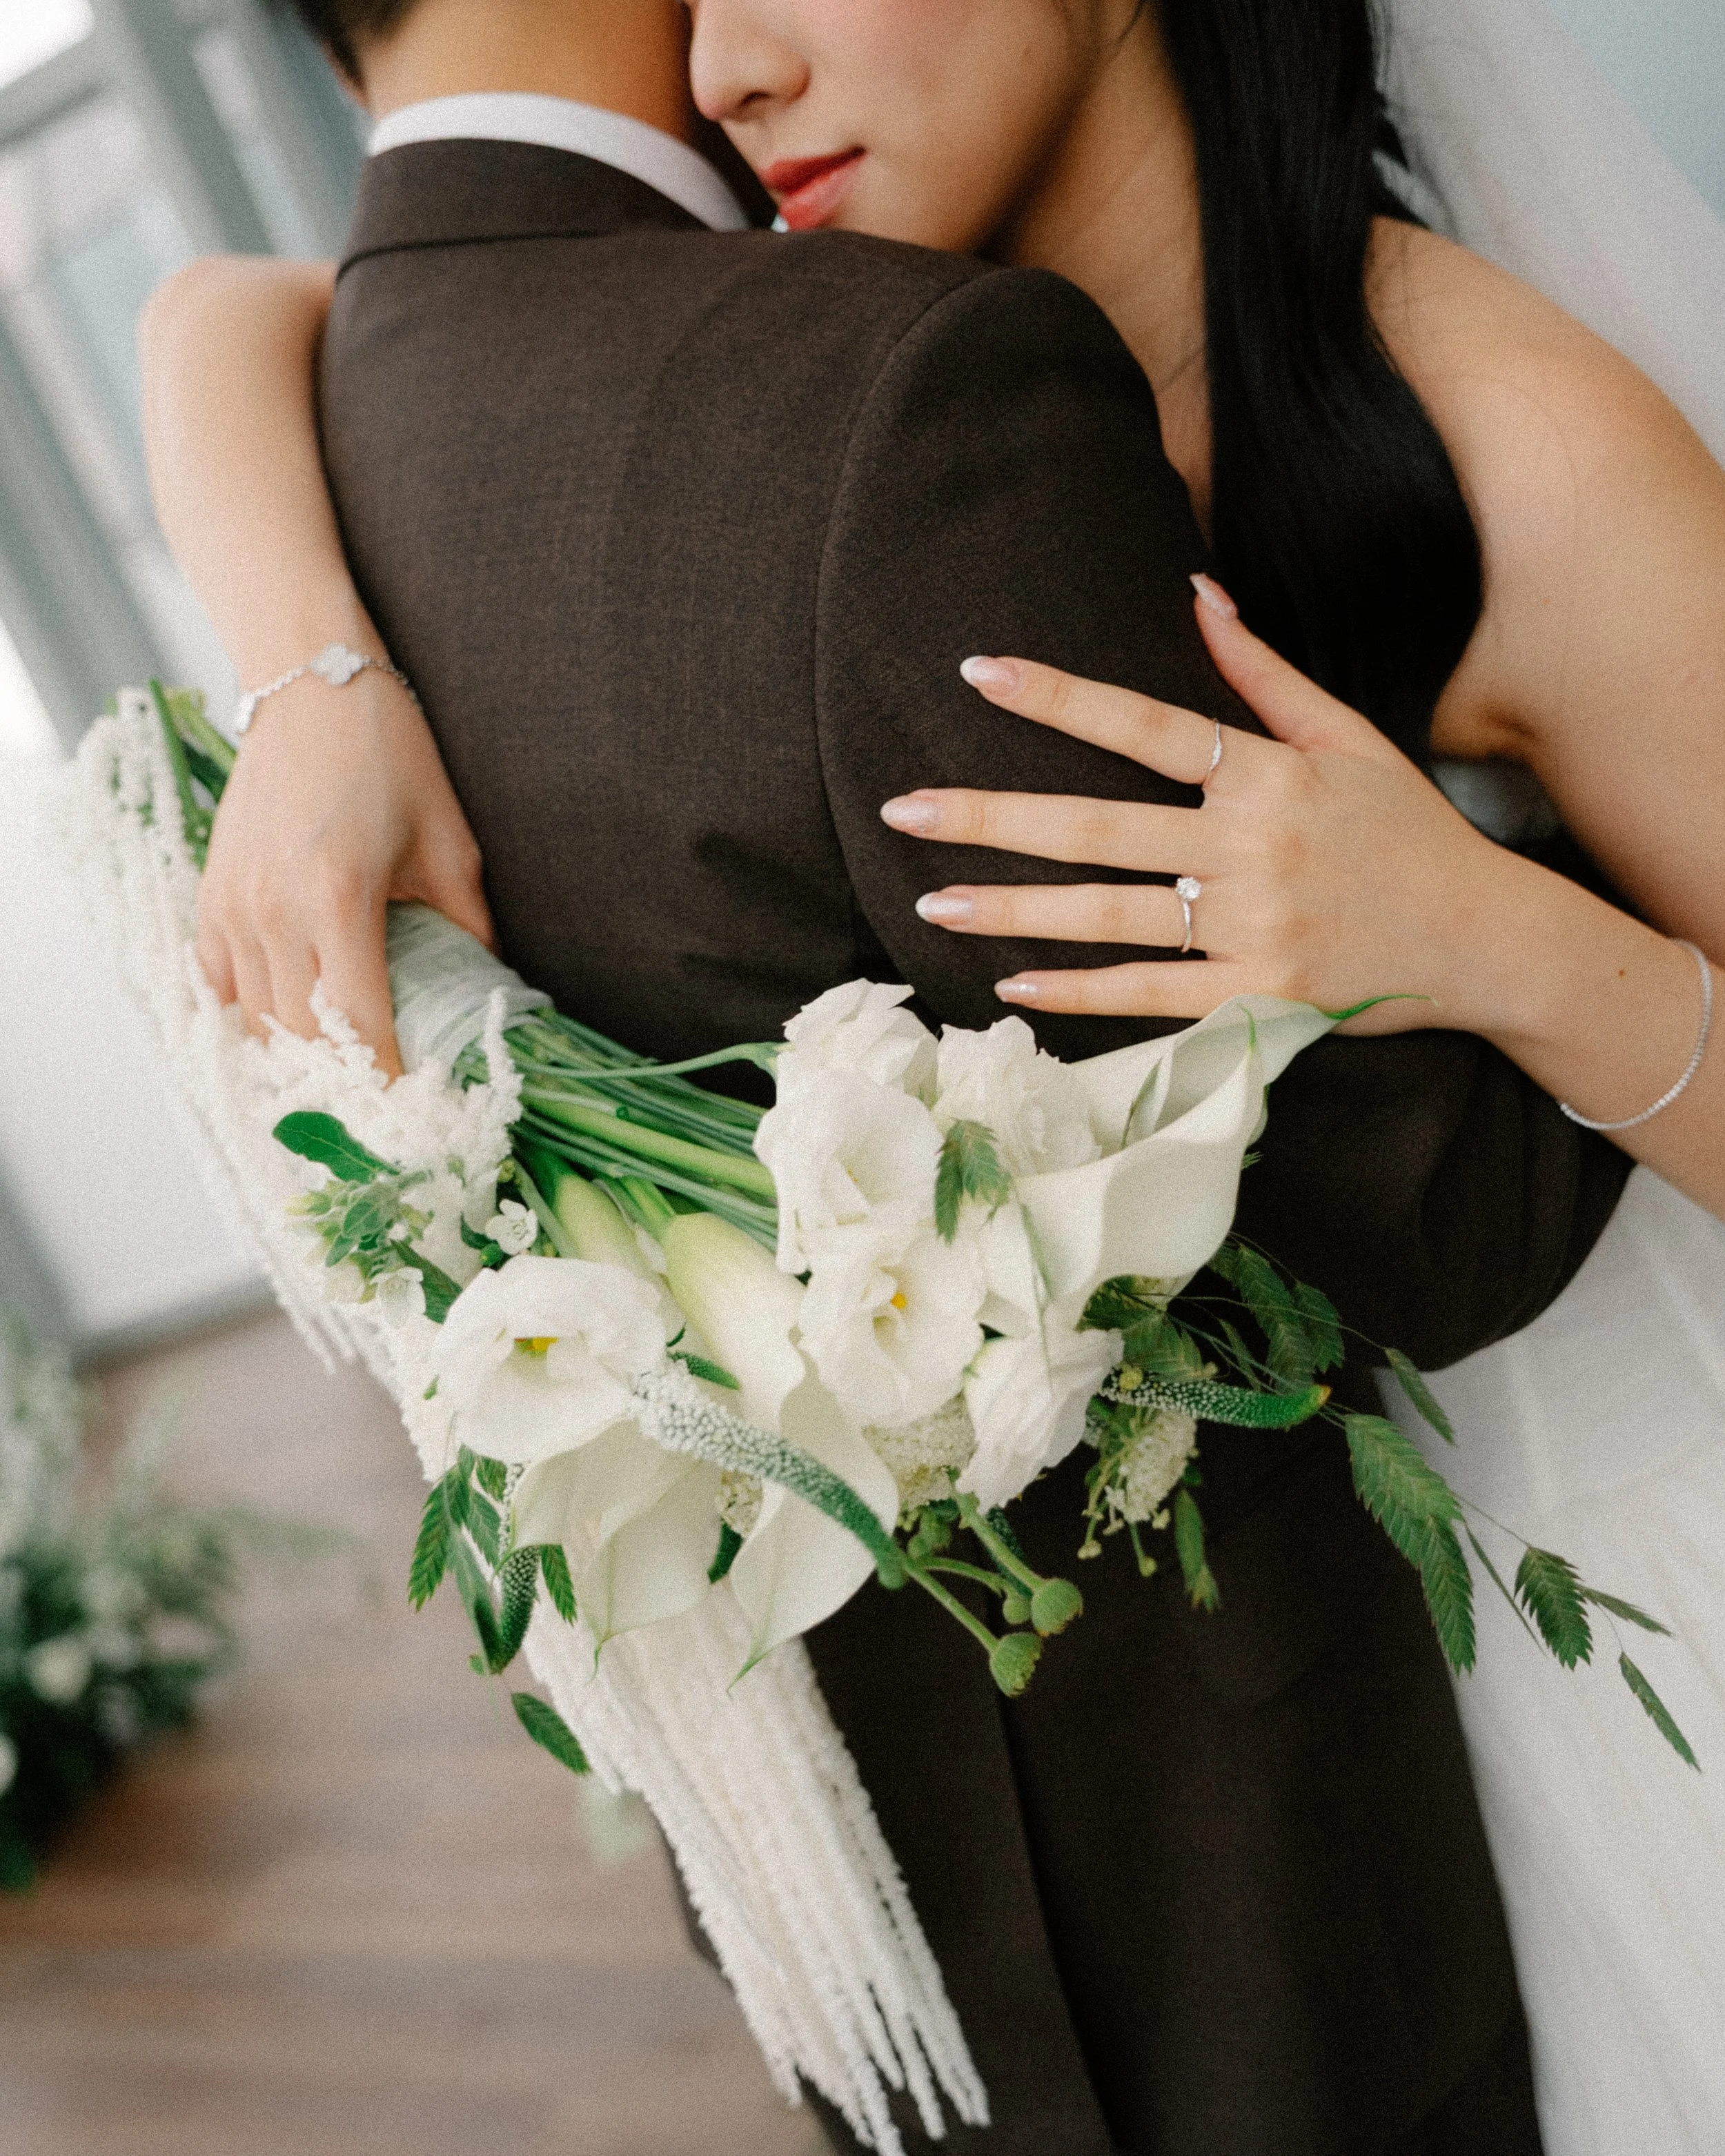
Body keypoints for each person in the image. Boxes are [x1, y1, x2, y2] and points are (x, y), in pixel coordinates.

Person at [133, 0, 1666, 2148]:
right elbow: (220, 309)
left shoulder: (1466, 418)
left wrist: (1506, 936)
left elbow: (230, 307)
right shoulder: (894, 392)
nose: (731, 60)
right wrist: (305, 664)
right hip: (1270, 1835)